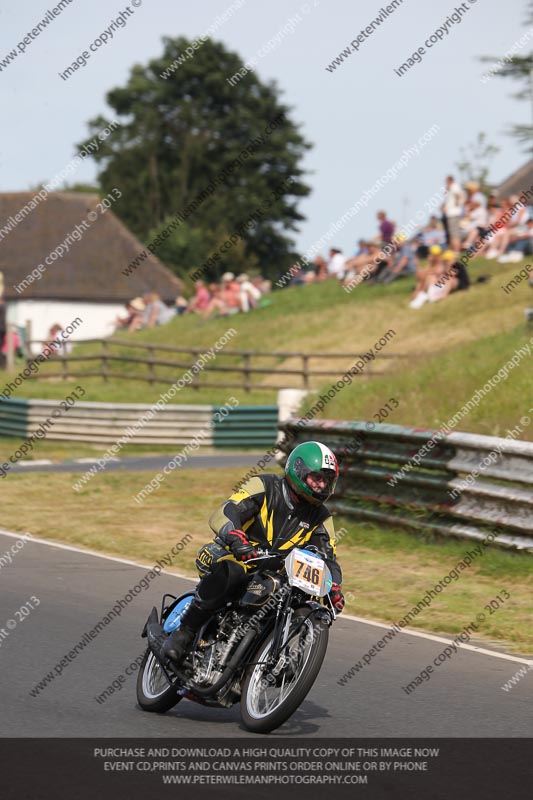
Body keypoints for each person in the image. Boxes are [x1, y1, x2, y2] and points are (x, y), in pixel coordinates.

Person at [161, 441, 345, 665]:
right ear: (299, 471)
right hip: (233, 553)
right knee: (233, 571)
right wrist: (237, 538)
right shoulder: (264, 485)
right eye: (317, 478)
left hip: (275, 571)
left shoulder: (322, 517)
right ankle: (185, 632)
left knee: (293, 595)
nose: (321, 485)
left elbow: (328, 555)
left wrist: (334, 586)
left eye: (326, 481)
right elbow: (226, 511)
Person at [442, 175, 465, 252]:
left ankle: (456, 251)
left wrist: (457, 204)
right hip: (451, 214)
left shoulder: (454, 186)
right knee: (452, 233)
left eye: (446, 181)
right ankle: (453, 251)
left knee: (455, 233)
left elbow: (459, 196)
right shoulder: (450, 188)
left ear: (450, 180)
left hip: (454, 213)